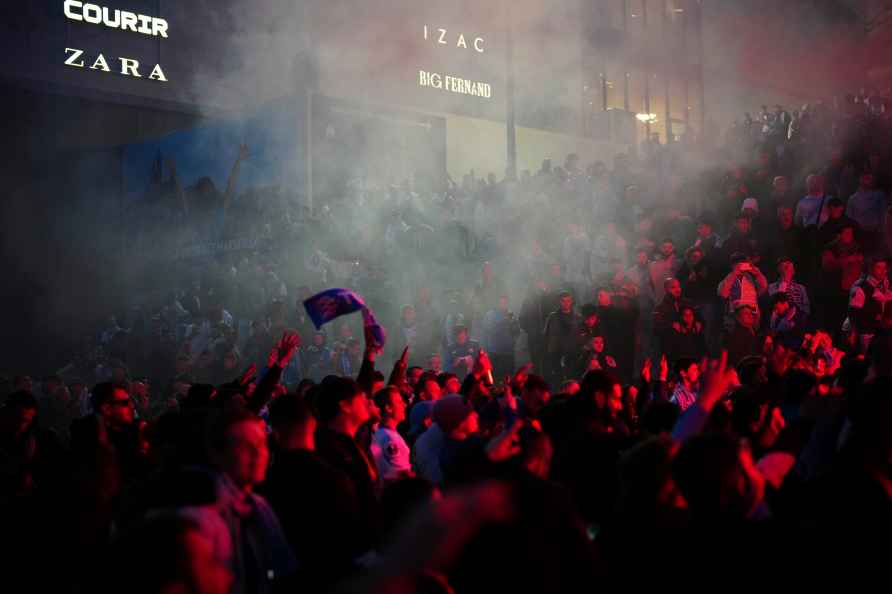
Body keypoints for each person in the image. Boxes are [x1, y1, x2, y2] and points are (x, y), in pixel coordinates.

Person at [204, 408, 296, 594]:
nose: (258, 454)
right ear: (217, 453)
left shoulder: (257, 505)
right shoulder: (208, 514)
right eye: (245, 446)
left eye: (261, 443)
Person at [313, 376, 378, 555]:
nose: (367, 401)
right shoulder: (329, 449)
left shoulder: (352, 442)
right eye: (362, 397)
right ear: (345, 405)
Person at [847, 257, 892, 352]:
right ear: (871, 269)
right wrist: (853, 334)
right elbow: (854, 314)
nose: (883, 271)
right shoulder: (861, 288)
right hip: (867, 334)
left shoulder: (886, 285)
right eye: (878, 268)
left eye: (885, 268)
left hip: (882, 333)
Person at [371, 386, 412, 486]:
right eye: (399, 402)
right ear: (388, 408)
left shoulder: (387, 434)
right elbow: (402, 473)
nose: (404, 405)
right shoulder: (388, 437)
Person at [717, 253, 768, 330]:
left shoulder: (752, 278)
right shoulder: (727, 279)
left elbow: (763, 288)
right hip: (735, 320)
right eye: (737, 263)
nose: (740, 265)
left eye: (743, 262)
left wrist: (758, 274)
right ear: (732, 265)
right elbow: (723, 294)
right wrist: (734, 274)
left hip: (753, 318)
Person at [543, 291, 580, 383]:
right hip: (556, 354)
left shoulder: (577, 317)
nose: (566, 303)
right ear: (559, 302)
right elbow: (546, 335)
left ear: (571, 302)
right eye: (563, 301)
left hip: (572, 354)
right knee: (558, 380)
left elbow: (581, 336)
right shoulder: (552, 317)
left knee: (572, 379)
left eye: (568, 300)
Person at [481, 295, 521, 380]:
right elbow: (488, 329)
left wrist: (512, 325)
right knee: (496, 376)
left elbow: (517, 332)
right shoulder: (490, 314)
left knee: (508, 376)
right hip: (495, 352)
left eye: (505, 302)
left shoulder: (511, 314)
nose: (504, 304)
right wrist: (503, 322)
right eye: (502, 302)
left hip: (508, 351)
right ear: (497, 303)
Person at [846, 172, 887, 252]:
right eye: (864, 178)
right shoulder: (852, 198)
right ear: (860, 179)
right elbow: (849, 219)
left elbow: (883, 214)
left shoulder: (879, 195)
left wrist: (882, 232)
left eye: (869, 178)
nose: (866, 181)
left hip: (875, 233)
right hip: (859, 234)